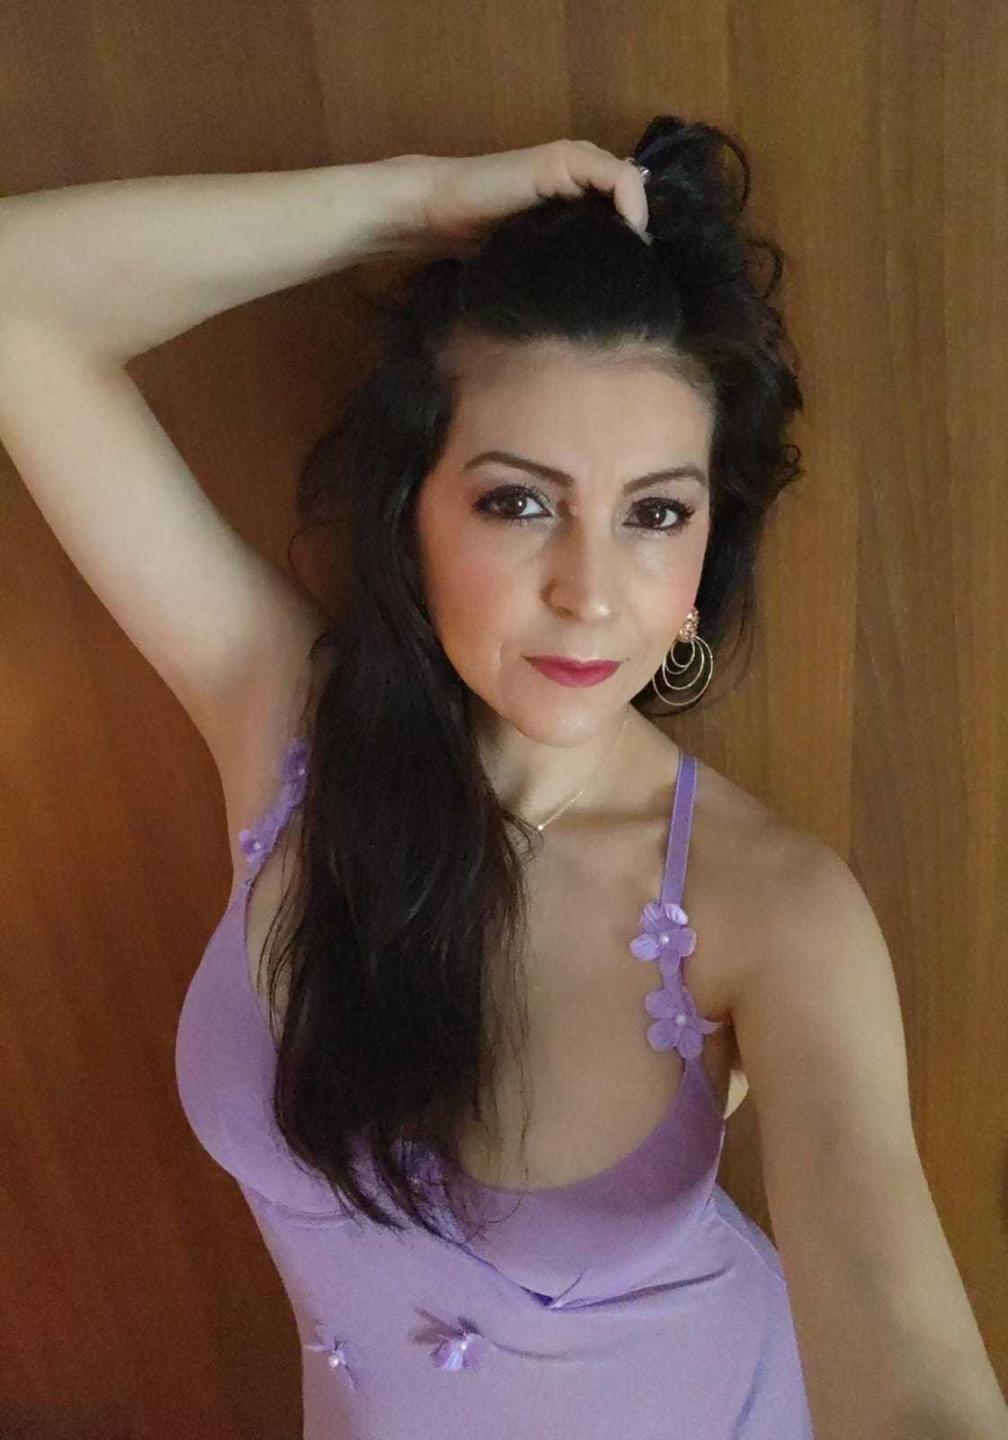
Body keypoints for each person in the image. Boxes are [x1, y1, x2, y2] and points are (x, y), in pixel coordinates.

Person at [4, 122, 1005, 1439]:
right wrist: (418, 203)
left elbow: (901, 1346)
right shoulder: (287, 719)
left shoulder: (778, 910)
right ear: (410, 514)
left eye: (655, 513)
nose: (591, 594)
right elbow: (17, 300)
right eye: (519, 502)